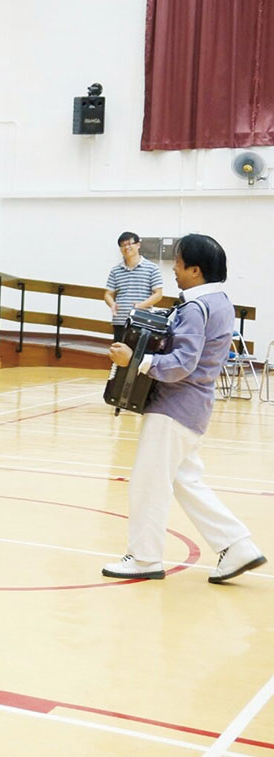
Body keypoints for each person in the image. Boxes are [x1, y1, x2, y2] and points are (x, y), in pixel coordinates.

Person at [103, 234, 266, 583]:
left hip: (173, 407)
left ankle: (145, 558)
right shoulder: (219, 301)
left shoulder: (195, 307)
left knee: (149, 483)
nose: (173, 270)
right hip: (193, 408)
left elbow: (183, 362)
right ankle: (237, 545)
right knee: (185, 481)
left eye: (177, 264)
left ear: (195, 269)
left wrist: (137, 359)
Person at [105, 230, 164, 342]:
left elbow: (158, 294)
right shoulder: (115, 270)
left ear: (138, 245)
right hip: (120, 320)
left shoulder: (152, 268)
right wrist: (112, 304)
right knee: (118, 354)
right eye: (123, 245)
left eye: (129, 243)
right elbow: (108, 294)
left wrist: (140, 306)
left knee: (138, 356)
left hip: (141, 320)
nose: (126, 247)